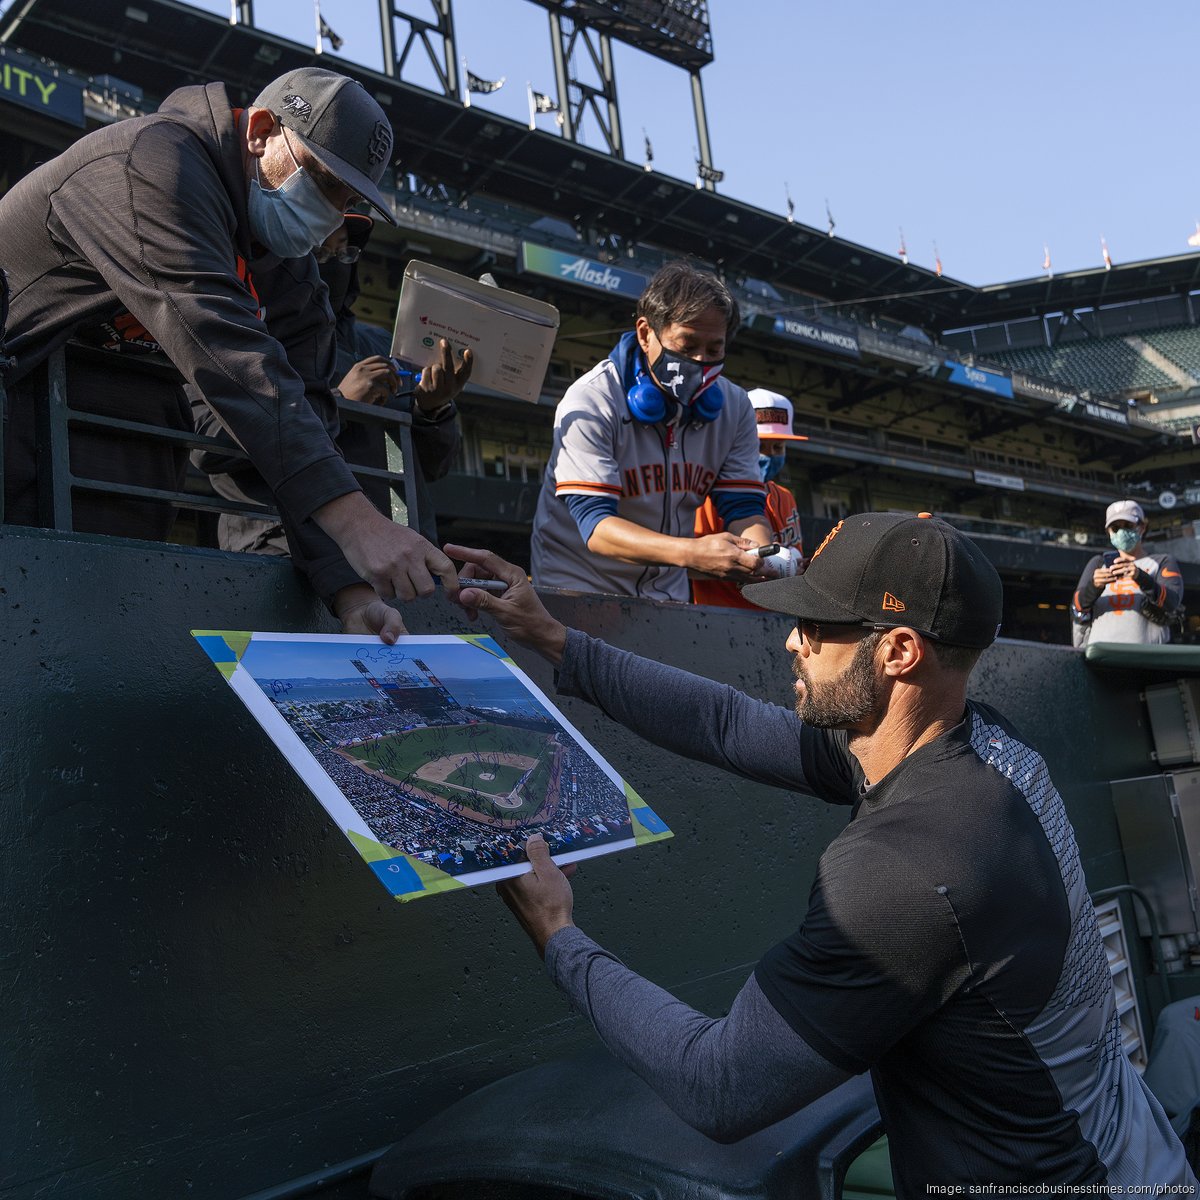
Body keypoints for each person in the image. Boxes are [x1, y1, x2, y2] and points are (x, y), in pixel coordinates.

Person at [448, 514, 1194, 1193]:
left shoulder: (911, 867)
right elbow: (728, 723)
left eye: (815, 625)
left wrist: (557, 936)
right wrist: (553, 639)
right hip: (1130, 1158)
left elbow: (719, 1084)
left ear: (900, 651)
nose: (791, 641)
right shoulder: (972, 744)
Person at [0, 65, 458, 637]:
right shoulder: (153, 161)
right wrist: (359, 522)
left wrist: (350, 588)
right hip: (20, 392)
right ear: (263, 130)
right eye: (322, 181)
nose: (329, 215)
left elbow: (304, 403)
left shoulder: (284, 260)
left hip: (115, 438)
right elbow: (231, 355)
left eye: (346, 200)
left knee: (92, 633)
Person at [196, 212, 466, 561]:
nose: (334, 265)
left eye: (344, 253)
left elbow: (433, 468)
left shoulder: (385, 344)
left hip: (400, 550)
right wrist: (340, 403)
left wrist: (433, 410)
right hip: (282, 545)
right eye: (319, 253)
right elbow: (207, 446)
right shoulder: (244, 334)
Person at [531, 261, 773, 601]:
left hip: (666, 595)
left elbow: (743, 507)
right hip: (577, 588)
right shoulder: (593, 398)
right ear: (646, 334)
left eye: (714, 350)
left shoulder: (734, 407)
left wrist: (765, 554)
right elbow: (597, 528)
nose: (701, 361)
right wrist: (692, 553)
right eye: (687, 346)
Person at [692, 387, 806, 607]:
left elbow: (792, 560)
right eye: (760, 445)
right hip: (720, 616)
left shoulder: (785, 497)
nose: (769, 454)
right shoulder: (704, 498)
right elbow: (684, 565)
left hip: (777, 616)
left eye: (778, 446)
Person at [1071, 500, 1184, 647]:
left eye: (1128, 526)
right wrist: (1094, 586)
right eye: (1115, 528)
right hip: (1100, 655)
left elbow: (1172, 602)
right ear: (1108, 532)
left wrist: (1140, 576)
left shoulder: (1162, 561)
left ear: (1142, 527)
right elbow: (1077, 608)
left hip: (1146, 655)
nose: (1122, 532)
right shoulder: (1098, 564)